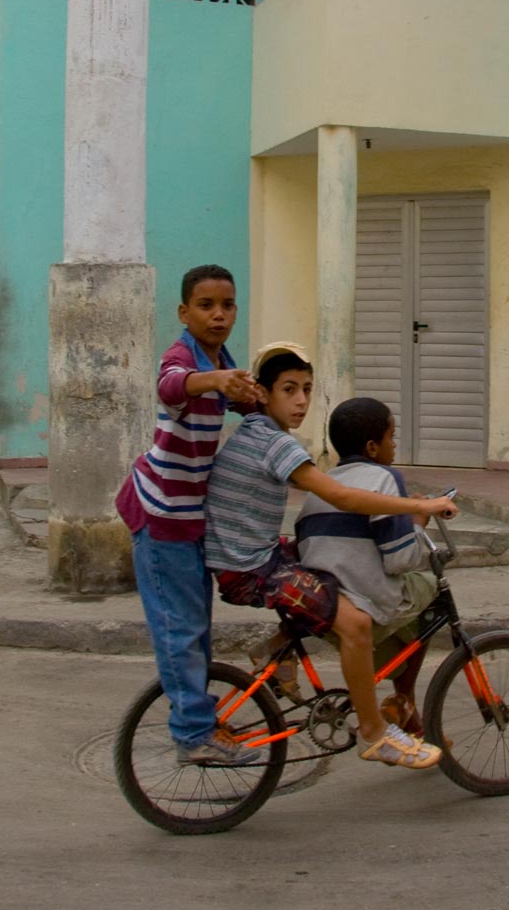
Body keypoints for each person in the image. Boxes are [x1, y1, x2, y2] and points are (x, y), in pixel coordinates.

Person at [204, 343, 457, 771]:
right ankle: (374, 733)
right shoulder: (275, 443)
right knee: (355, 623)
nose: (301, 400)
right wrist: (420, 506)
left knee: (325, 573)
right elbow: (342, 496)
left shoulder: (255, 431)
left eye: (306, 389)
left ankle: (279, 649)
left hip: (253, 557)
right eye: (289, 389)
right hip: (251, 568)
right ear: (263, 393)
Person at [113, 265, 264, 767]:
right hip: (162, 516)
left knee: (197, 626)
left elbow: (239, 401)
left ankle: (200, 716)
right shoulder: (183, 359)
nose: (219, 315)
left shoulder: (222, 360)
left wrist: (258, 399)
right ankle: (193, 735)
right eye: (206, 306)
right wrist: (216, 381)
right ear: (184, 312)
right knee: (178, 629)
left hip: (192, 514)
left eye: (227, 305)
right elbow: (173, 387)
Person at [295, 397, 440, 739]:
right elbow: (400, 559)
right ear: (373, 447)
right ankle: (404, 700)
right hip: (362, 601)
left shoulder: (322, 487)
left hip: (326, 603)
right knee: (431, 589)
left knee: (408, 606)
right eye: (392, 437)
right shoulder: (385, 478)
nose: (395, 445)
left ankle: (409, 715)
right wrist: (417, 523)